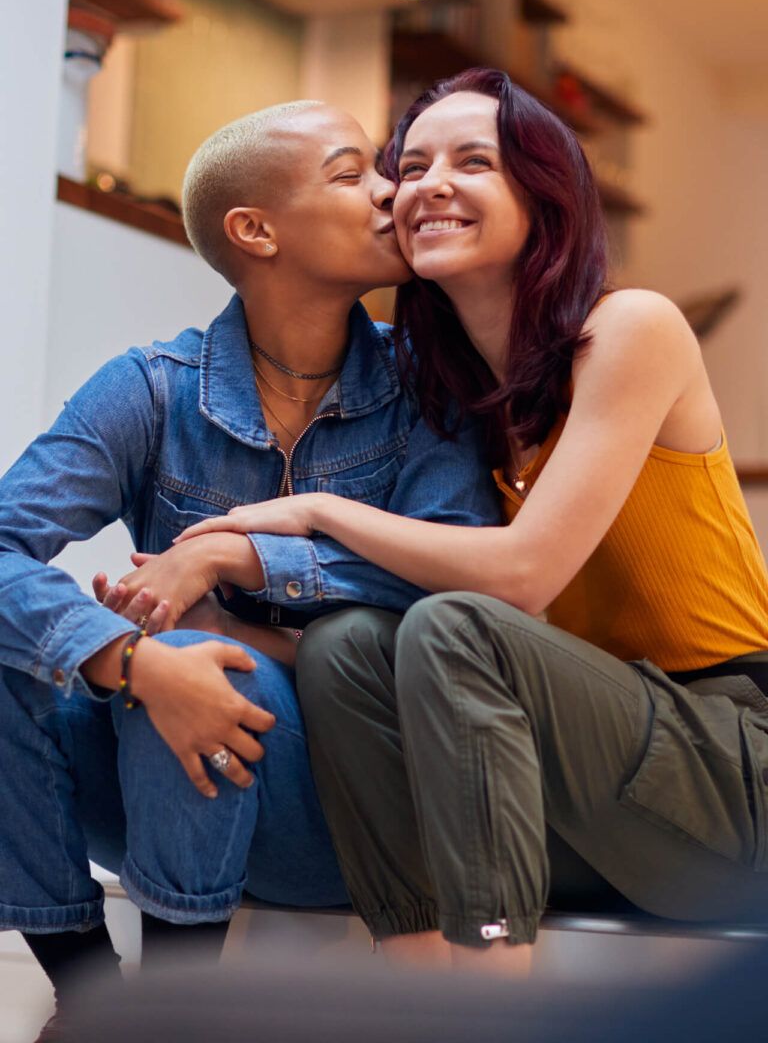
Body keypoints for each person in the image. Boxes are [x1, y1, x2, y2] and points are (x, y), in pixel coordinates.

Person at [177, 68, 768, 971]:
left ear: (545, 196)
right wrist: (219, 625)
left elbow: (523, 580)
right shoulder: (456, 402)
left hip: (732, 776)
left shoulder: (631, 330)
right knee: (347, 644)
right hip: (599, 789)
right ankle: (424, 986)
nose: (429, 185)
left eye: (473, 161)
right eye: (409, 167)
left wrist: (313, 508)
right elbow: (442, 655)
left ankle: (489, 988)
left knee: (459, 622)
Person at [0, 96, 501, 1028]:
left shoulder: (430, 390)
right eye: (355, 175)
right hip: (161, 791)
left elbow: (458, 581)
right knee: (133, 664)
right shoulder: (153, 388)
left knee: (198, 664)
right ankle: (90, 995)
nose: (394, 193)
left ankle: (177, 1007)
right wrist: (125, 656)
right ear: (255, 230)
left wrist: (243, 561)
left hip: (350, 815)